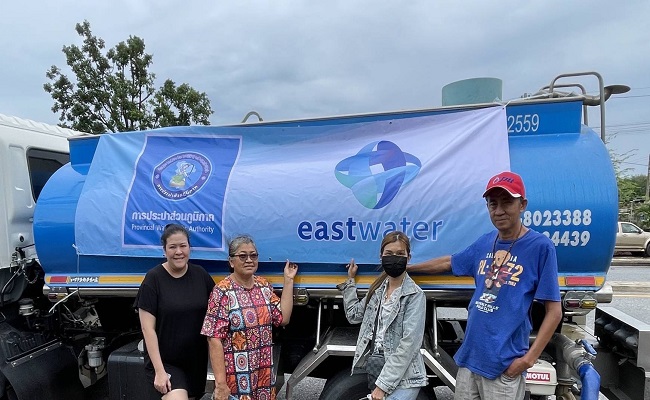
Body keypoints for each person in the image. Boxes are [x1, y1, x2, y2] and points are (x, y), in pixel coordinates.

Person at [409, 171, 563, 400]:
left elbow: (554, 311)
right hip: (470, 360)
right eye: (493, 204)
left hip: (503, 366)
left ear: (522, 205)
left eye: (506, 202)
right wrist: (408, 268)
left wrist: (528, 360)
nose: (498, 210)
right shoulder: (485, 241)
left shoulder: (540, 247)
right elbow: (449, 262)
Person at [201, 235, 298, 400]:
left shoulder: (263, 286)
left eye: (253, 255)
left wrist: (288, 280)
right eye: (242, 256)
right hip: (235, 378)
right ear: (231, 261)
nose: (249, 260)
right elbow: (214, 339)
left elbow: (283, 319)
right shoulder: (222, 291)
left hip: (263, 375)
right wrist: (221, 384)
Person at [338, 231, 427, 400]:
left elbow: (409, 345)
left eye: (400, 254)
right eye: (389, 253)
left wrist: (382, 387)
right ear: (381, 257)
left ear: (408, 258)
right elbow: (353, 315)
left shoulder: (415, 295)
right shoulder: (377, 291)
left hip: (404, 380)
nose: (394, 258)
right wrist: (350, 281)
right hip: (379, 371)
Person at [134, 224, 216, 400]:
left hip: (195, 362)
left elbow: (218, 312)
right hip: (165, 363)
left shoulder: (201, 275)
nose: (178, 252)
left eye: (183, 246)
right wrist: (159, 371)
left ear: (189, 248)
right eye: (172, 247)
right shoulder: (153, 279)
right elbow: (148, 330)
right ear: (164, 250)